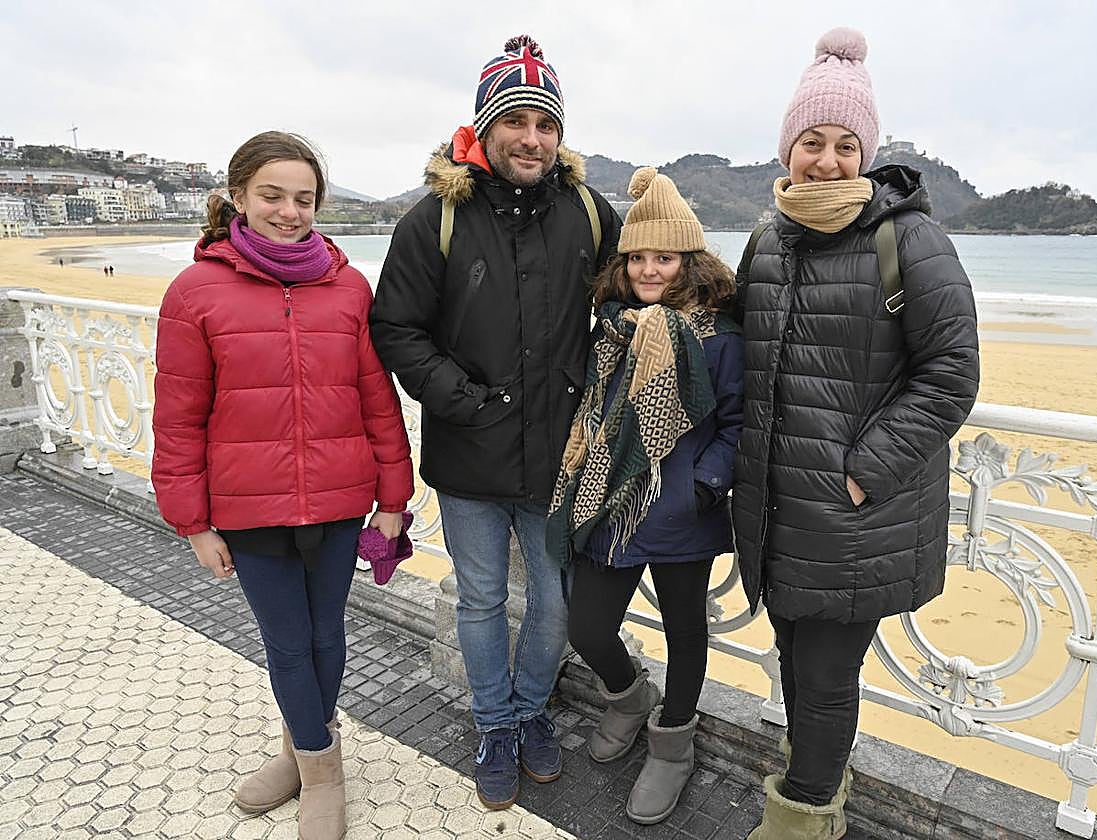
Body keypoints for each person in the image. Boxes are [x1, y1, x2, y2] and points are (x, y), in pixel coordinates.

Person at [733, 28, 980, 839]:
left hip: (854, 510)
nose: (828, 160)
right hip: (778, 505)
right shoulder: (769, 239)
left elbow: (951, 373)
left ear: (866, 154)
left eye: (846, 145)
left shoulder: (907, 237)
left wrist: (863, 471)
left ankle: (802, 819)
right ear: (788, 147)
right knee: (799, 666)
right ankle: (816, 795)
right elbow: (740, 345)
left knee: (828, 673)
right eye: (813, 142)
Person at [370, 35, 621, 809]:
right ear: (484, 126)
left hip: (557, 454)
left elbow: (631, 295)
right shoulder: (435, 219)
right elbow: (396, 328)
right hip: (469, 454)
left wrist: (599, 378)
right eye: (515, 119)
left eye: (545, 123)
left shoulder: (586, 209)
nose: (532, 137)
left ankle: (532, 713)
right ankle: (495, 725)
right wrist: (463, 399)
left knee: (553, 601)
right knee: (480, 598)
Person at [152, 131, 414, 840]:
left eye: (304, 198)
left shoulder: (349, 284)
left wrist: (394, 498)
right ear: (238, 197)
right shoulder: (195, 291)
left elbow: (376, 398)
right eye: (272, 195)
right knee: (289, 643)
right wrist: (193, 522)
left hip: (338, 498)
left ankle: (304, 750)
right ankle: (321, 769)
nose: (289, 211)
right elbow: (178, 418)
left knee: (328, 636)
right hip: (247, 506)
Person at [547, 168, 743, 824]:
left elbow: (741, 424)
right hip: (611, 502)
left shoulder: (720, 335)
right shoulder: (611, 323)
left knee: (686, 630)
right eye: (638, 258)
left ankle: (672, 746)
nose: (650, 270)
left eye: (664, 257)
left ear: (690, 260)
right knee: (589, 628)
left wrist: (704, 486)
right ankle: (628, 697)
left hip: (683, 510)